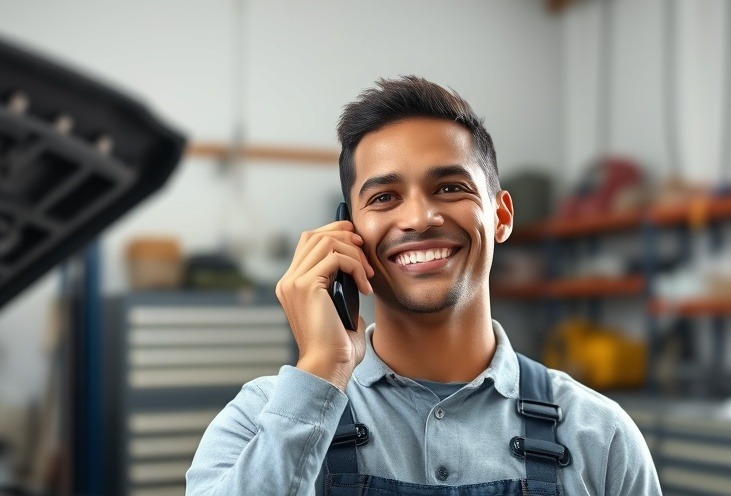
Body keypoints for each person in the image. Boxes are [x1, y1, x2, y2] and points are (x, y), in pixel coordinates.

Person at [186, 76, 661, 495]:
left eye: (450, 188)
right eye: (384, 197)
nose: (418, 218)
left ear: (501, 216)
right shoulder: (259, 420)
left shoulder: (601, 436)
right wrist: (319, 374)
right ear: (347, 230)